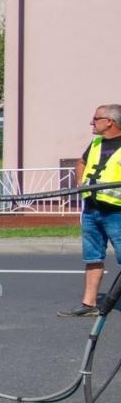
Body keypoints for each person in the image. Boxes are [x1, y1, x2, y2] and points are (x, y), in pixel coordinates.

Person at [59, 103, 121, 317]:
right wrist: (81, 183)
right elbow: (81, 162)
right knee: (92, 257)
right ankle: (89, 304)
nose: (91, 122)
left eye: (95, 118)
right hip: (92, 211)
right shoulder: (96, 144)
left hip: (116, 213)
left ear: (109, 122)